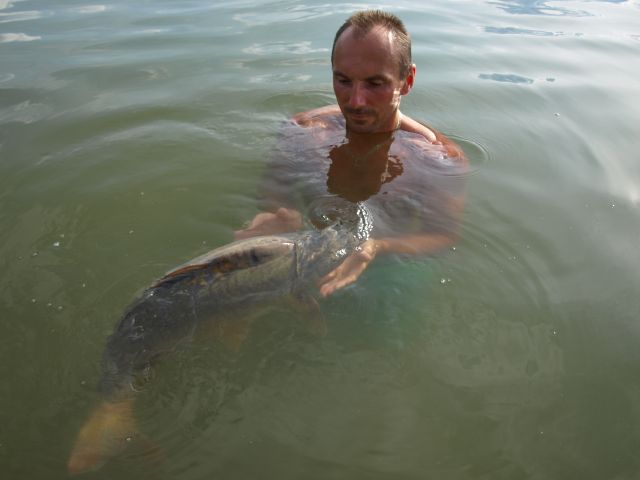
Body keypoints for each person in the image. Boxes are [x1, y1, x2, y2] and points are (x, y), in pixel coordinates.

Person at [235, 10, 468, 297]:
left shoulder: (437, 157)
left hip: (387, 273)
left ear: (406, 81)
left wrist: (377, 247)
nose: (356, 101)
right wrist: (279, 214)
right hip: (306, 263)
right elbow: (273, 189)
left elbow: (442, 235)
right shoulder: (305, 131)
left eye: (375, 83)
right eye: (343, 80)